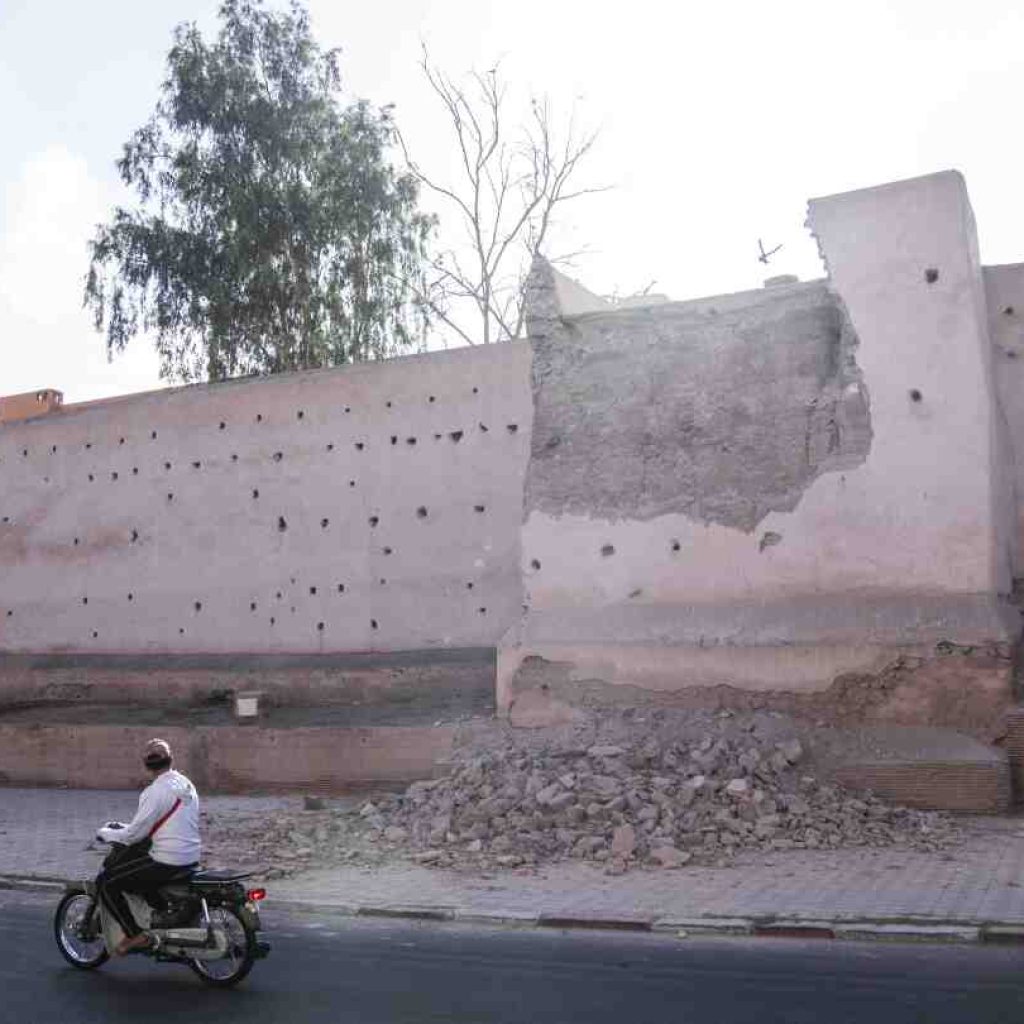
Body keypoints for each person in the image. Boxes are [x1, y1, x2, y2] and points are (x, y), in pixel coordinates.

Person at [95, 738, 201, 955]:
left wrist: (106, 833)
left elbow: (134, 835)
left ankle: (136, 935)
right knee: (139, 876)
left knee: (106, 883)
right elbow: (158, 823)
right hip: (190, 856)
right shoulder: (186, 784)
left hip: (167, 860)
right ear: (171, 760)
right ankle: (159, 914)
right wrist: (125, 828)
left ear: (146, 765)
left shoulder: (155, 792)